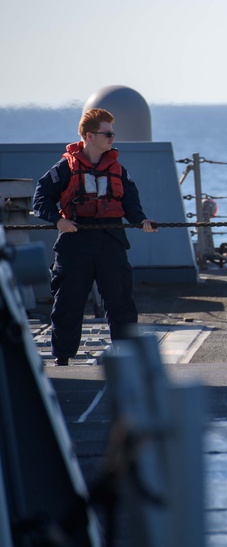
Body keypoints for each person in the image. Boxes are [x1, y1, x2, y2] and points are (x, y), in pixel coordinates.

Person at [32, 107, 157, 365]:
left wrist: (142, 221)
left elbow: (131, 204)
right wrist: (58, 220)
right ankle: (63, 358)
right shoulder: (64, 168)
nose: (112, 137)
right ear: (89, 136)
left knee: (121, 303)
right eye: (107, 133)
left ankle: (127, 357)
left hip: (111, 240)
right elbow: (41, 199)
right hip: (75, 242)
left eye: (113, 133)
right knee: (68, 303)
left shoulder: (118, 170)